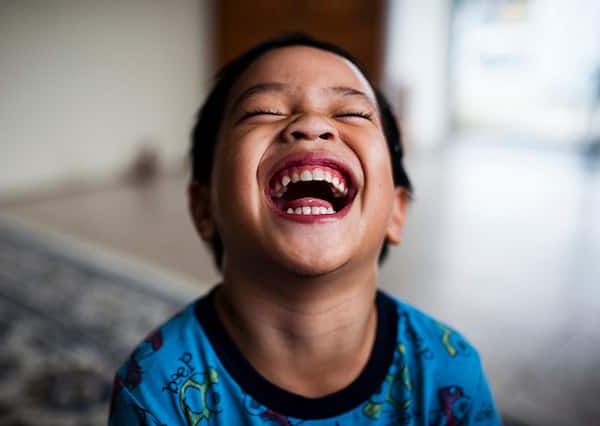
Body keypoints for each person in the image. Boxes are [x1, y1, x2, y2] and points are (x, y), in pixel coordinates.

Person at [108, 34, 501, 425]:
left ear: (396, 213)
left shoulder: (450, 373)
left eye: (351, 113)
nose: (311, 124)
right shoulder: (155, 390)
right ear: (204, 207)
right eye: (263, 111)